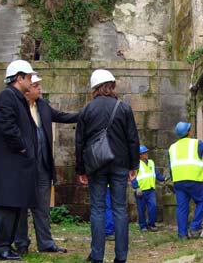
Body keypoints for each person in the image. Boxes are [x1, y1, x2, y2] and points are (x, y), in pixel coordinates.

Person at [75, 69, 139, 263]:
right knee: (120, 209)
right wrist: (133, 165)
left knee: (97, 210)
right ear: (111, 86)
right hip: (120, 165)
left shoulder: (87, 109)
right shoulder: (124, 108)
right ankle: (121, 258)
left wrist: (81, 169)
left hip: (96, 166)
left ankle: (97, 256)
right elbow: (133, 139)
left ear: (95, 87)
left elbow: (79, 142)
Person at [14, 74, 78, 254]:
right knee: (21, 206)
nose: (39, 89)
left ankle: (46, 243)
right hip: (24, 165)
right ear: (27, 90)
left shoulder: (42, 105)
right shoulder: (17, 106)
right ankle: (21, 243)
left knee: (42, 207)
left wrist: (85, 114)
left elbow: (62, 116)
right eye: (36, 86)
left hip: (42, 164)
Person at [0, 60, 38, 261]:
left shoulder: (17, 97)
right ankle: (0, 247)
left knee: (14, 205)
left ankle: (7, 245)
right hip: (10, 163)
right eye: (29, 77)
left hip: (16, 163)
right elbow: (7, 126)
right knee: (6, 206)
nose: (31, 81)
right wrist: (22, 146)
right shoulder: (8, 96)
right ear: (19, 77)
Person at [131, 145, 166, 232]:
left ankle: (151, 224)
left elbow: (156, 173)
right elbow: (133, 177)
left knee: (153, 207)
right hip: (140, 191)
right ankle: (143, 225)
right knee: (141, 209)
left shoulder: (151, 162)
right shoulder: (136, 164)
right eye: (144, 153)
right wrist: (136, 187)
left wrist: (163, 178)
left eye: (146, 152)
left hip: (150, 190)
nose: (146, 154)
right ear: (139, 155)